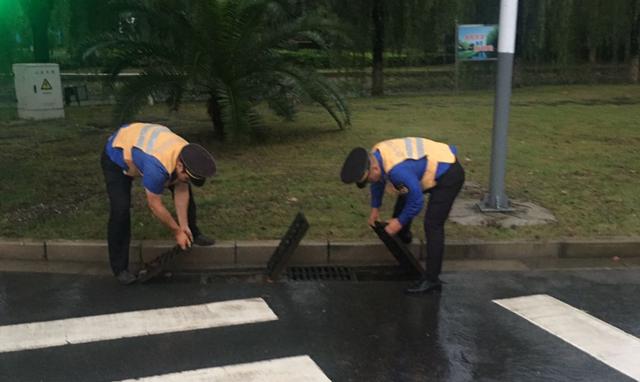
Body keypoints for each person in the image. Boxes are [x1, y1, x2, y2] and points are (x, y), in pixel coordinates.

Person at [340, 137, 465, 294]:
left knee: (432, 224)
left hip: (448, 175)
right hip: (422, 170)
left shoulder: (397, 171)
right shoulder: (376, 156)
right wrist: (375, 209)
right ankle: (405, 236)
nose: (370, 183)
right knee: (404, 194)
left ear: (374, 169)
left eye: (368, 180)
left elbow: (417, 200)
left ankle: (432, 280)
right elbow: (378, 182)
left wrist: (399, 222)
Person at [101, 122, 217, 285]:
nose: (187, 180)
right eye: (187, 177)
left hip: (144, 150)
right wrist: (176, 232)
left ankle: (192, 233)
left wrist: (183, 225)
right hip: (116, 156)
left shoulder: (186, 152)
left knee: (185, 189)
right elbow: (155, 204)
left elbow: (181, 189)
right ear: (179, 165)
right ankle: (120, 268)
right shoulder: (157, 167)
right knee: (120, 209)